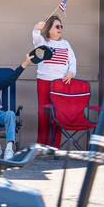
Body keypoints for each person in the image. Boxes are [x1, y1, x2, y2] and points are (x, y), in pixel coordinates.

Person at [32, 14, 77, 146]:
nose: (60, 29)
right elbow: (36, 40)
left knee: (58, 114)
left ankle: (54, 146)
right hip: (44, 81)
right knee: (43, 113)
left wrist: (71, 72)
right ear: (49, 28)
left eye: (61, 26)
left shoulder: (65, 44)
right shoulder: (43, 42)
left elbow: (72, 61)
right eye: (57, 26)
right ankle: (41, 145)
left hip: (61, 84)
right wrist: (36, 29)